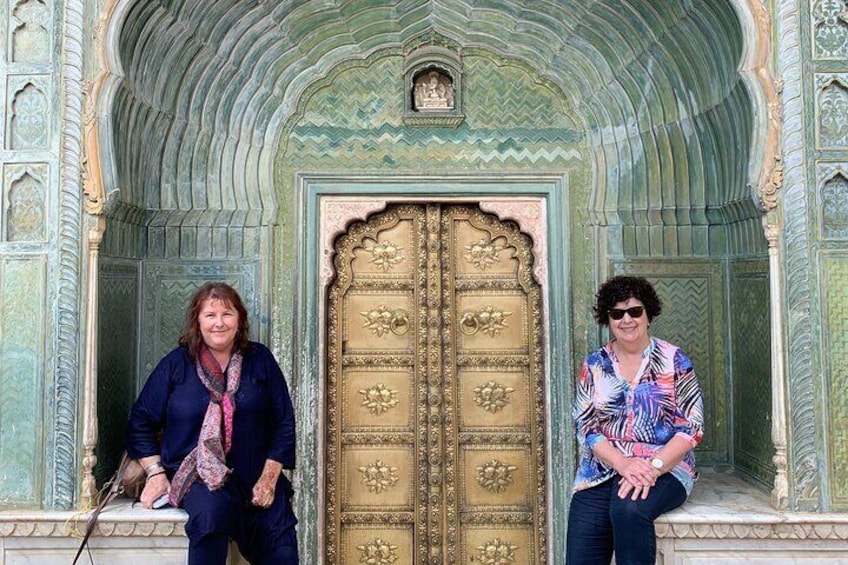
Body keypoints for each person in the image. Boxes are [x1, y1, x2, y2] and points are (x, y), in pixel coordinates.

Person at [126, 282, 298, 564]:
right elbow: (140, 421)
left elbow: (283, 423)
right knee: (210, 515)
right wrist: (156, 474)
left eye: (227, 314)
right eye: (210, 315)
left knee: (280, 541)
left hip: (256, 473)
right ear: (198, 321)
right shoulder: (177, 364)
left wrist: (268, 480)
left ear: (239, 319)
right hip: (200, 479)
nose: (219, 323)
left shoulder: (260, 359)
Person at [566, 275, 704, 565]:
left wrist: (651, 468)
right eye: (617, 313)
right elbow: (586, 426)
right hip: (603, 469)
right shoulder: (595, 364)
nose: (626, 320)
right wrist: (623, 464)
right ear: (608, 318)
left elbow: (691, 428)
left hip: (665, 467)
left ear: (648, 315)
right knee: (584, 524)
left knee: (629, 508)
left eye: (634, 311)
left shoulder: (674, 360)